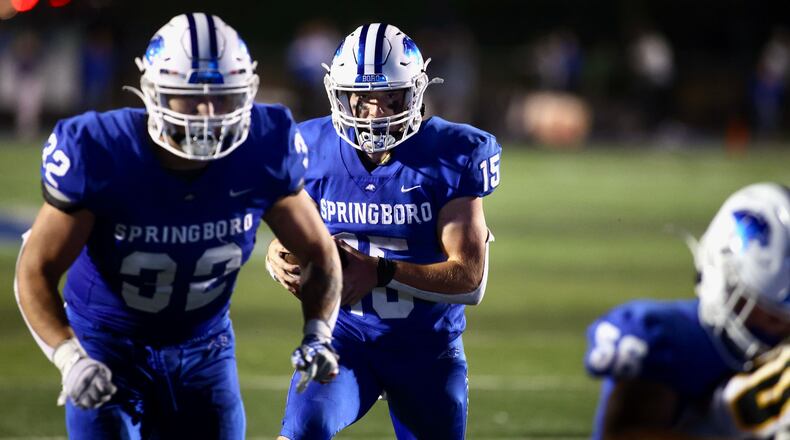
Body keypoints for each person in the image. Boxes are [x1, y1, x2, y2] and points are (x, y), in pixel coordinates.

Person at [14, 13, 341, 439]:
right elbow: (35, 268)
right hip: (108, 347)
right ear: (153, 93)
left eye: (223, 97)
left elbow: (318, 252)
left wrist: (319, 333)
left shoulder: (266, 145)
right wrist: (70, 358)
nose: (207, 113)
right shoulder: (100, 151)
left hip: (206, 351)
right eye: (190, 98)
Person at [266, 23, 501, 439]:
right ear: (338, 93)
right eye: (362, 97)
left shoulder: (452, 154)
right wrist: (277, 253)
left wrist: (380, 271)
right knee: (300, 433)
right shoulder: (309, 146)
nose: (375, 111)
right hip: (344, 339)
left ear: (415, 92)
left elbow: (470, 280)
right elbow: (293, 234)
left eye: (389, 96)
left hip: (426, 348)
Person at [584, 182, 790, 439]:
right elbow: (622, 434)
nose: (779, 322)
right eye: (763, 305)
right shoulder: (665, 339)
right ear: (723, 275)